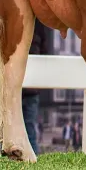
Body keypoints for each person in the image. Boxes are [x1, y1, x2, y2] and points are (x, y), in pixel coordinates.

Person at [22, 19, 50, 155]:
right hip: (30, 90)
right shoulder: (39, 26)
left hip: (26, 91)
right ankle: (33, 158)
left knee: (27, 128)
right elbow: (45, 52)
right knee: (29, 128)